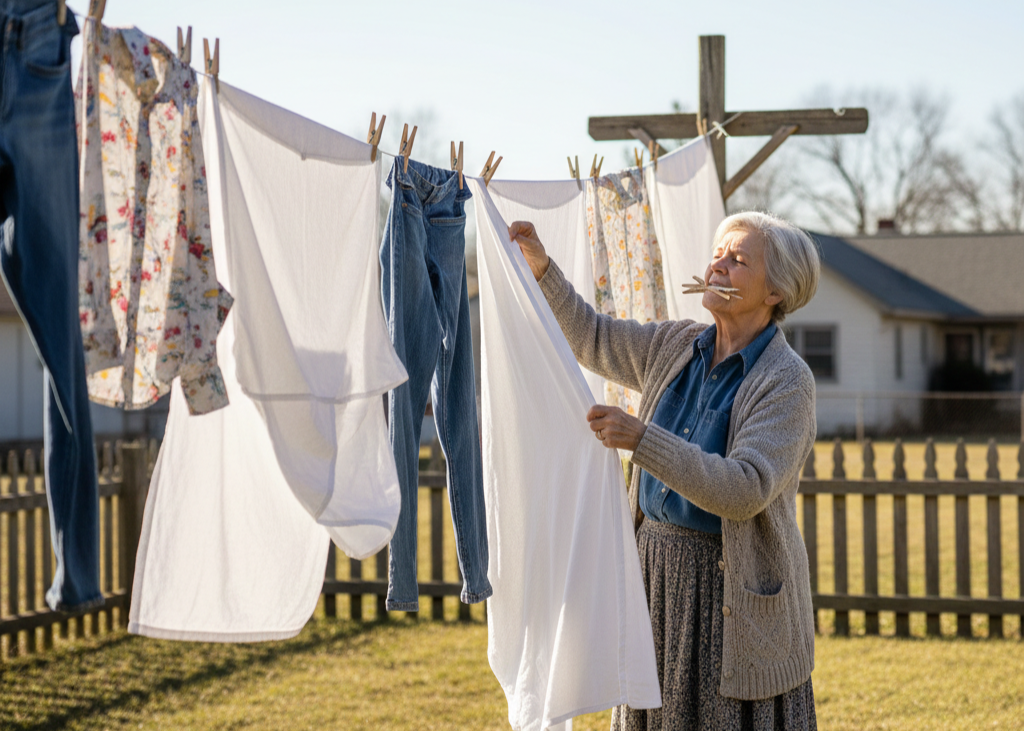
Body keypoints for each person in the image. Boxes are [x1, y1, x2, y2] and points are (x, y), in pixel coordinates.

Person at [510, 211, 821, 730]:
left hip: (730, 596)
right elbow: (593, 337)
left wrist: (642, 440)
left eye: (738, 260)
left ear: (776, 291)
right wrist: (543, 270)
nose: (717, 265)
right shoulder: (675, 344)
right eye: (718, 253)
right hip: (654, 577)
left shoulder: (788, 381)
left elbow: (745, 489)